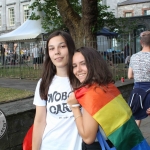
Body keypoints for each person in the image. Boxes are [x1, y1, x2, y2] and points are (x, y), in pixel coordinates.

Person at [67, 47, 150, 150]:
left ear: (94, 64)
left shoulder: (91, 94)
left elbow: (88, 138)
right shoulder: (107, 86)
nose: (78, 70)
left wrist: (74, 106)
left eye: (83, 64)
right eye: (74, 66)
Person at [32, 30, 82, 150]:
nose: (57, 52)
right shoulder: (43, 83)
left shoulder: (82, 81)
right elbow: (39, 121)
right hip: (49, 145)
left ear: (70, 48)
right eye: (51, 48)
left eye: (62, 46)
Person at [128, 31, 150, 127]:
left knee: (137, 118)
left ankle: (134, 141)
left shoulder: (134, 57)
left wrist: (138, 76)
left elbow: (129, 76)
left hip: (137, 92)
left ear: (141, 42)